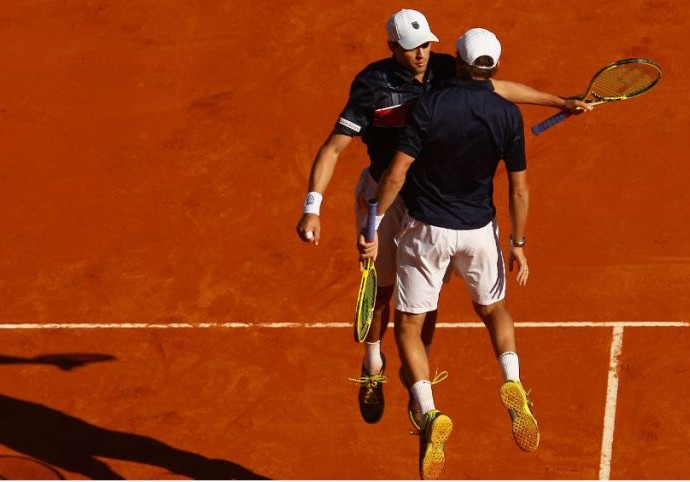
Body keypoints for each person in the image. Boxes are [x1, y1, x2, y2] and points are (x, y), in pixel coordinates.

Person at [296, 8, 589, 427]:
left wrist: (560, 101)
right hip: (384, 194)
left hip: (424, 199)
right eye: (413, 48)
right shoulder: (371, 86)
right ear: (393, 48)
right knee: (381, 291)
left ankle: (420, 390)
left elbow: (496, 88)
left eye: (428, 44)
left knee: (422, 300)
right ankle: (373, 366)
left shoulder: (446, 69)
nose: (423, 54)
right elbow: (332, 148)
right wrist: (313, 207)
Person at [360, 27, 540, 479]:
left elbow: (398, 173)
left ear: (456, 61)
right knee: (495, 310)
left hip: (426, 231)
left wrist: (374, 223)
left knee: (409, 326)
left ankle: (429, 410)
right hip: (479, 230)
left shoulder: (430, 106)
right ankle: (512, 381)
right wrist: (517, 243)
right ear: (494, 67)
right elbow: (519, 188)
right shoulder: (506, 115)